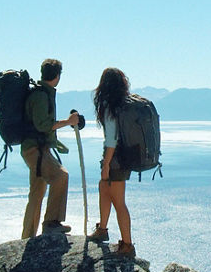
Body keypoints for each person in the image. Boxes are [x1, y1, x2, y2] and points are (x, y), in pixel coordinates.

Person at [21, 58, 81, 239]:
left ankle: (28, 237)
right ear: (57, 76)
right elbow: (43, 125)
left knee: (37, 192)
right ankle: (51, 223)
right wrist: (69, 122)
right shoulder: (41, 96)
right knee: (61, 176)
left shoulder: (42, 93)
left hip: (36, 149)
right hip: (36, 151)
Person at [88, 67, 136, 257]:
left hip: (114, 157)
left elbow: (111, 139)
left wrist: (106, 164)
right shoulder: (124, 104)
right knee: (104, 188)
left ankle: (127, 245)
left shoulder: (110, 106)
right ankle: (103, 229)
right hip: (124, 157)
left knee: (118, 200)